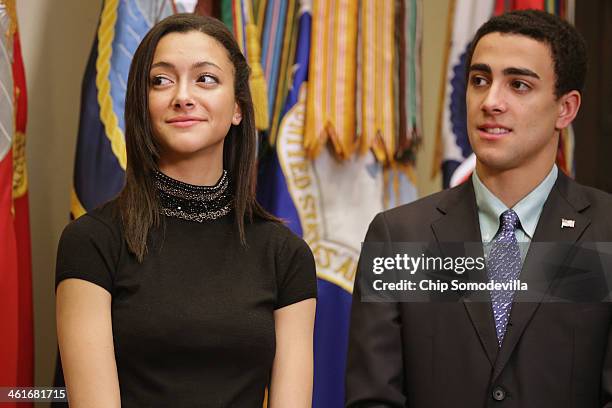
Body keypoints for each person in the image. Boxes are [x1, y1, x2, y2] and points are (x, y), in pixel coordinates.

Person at [346, 9, 612, 407]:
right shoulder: (400, 237)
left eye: (518, 85)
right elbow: (373, 399)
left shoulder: (607, 232)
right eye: (479, 80)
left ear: (566, 109)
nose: (490, 102)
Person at [56, 14, 316, 408]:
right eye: (161, 80)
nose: (182, 96)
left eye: (205, 79)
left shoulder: (285, 254)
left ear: (238, 108)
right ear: (143, 104)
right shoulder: (92, 241)